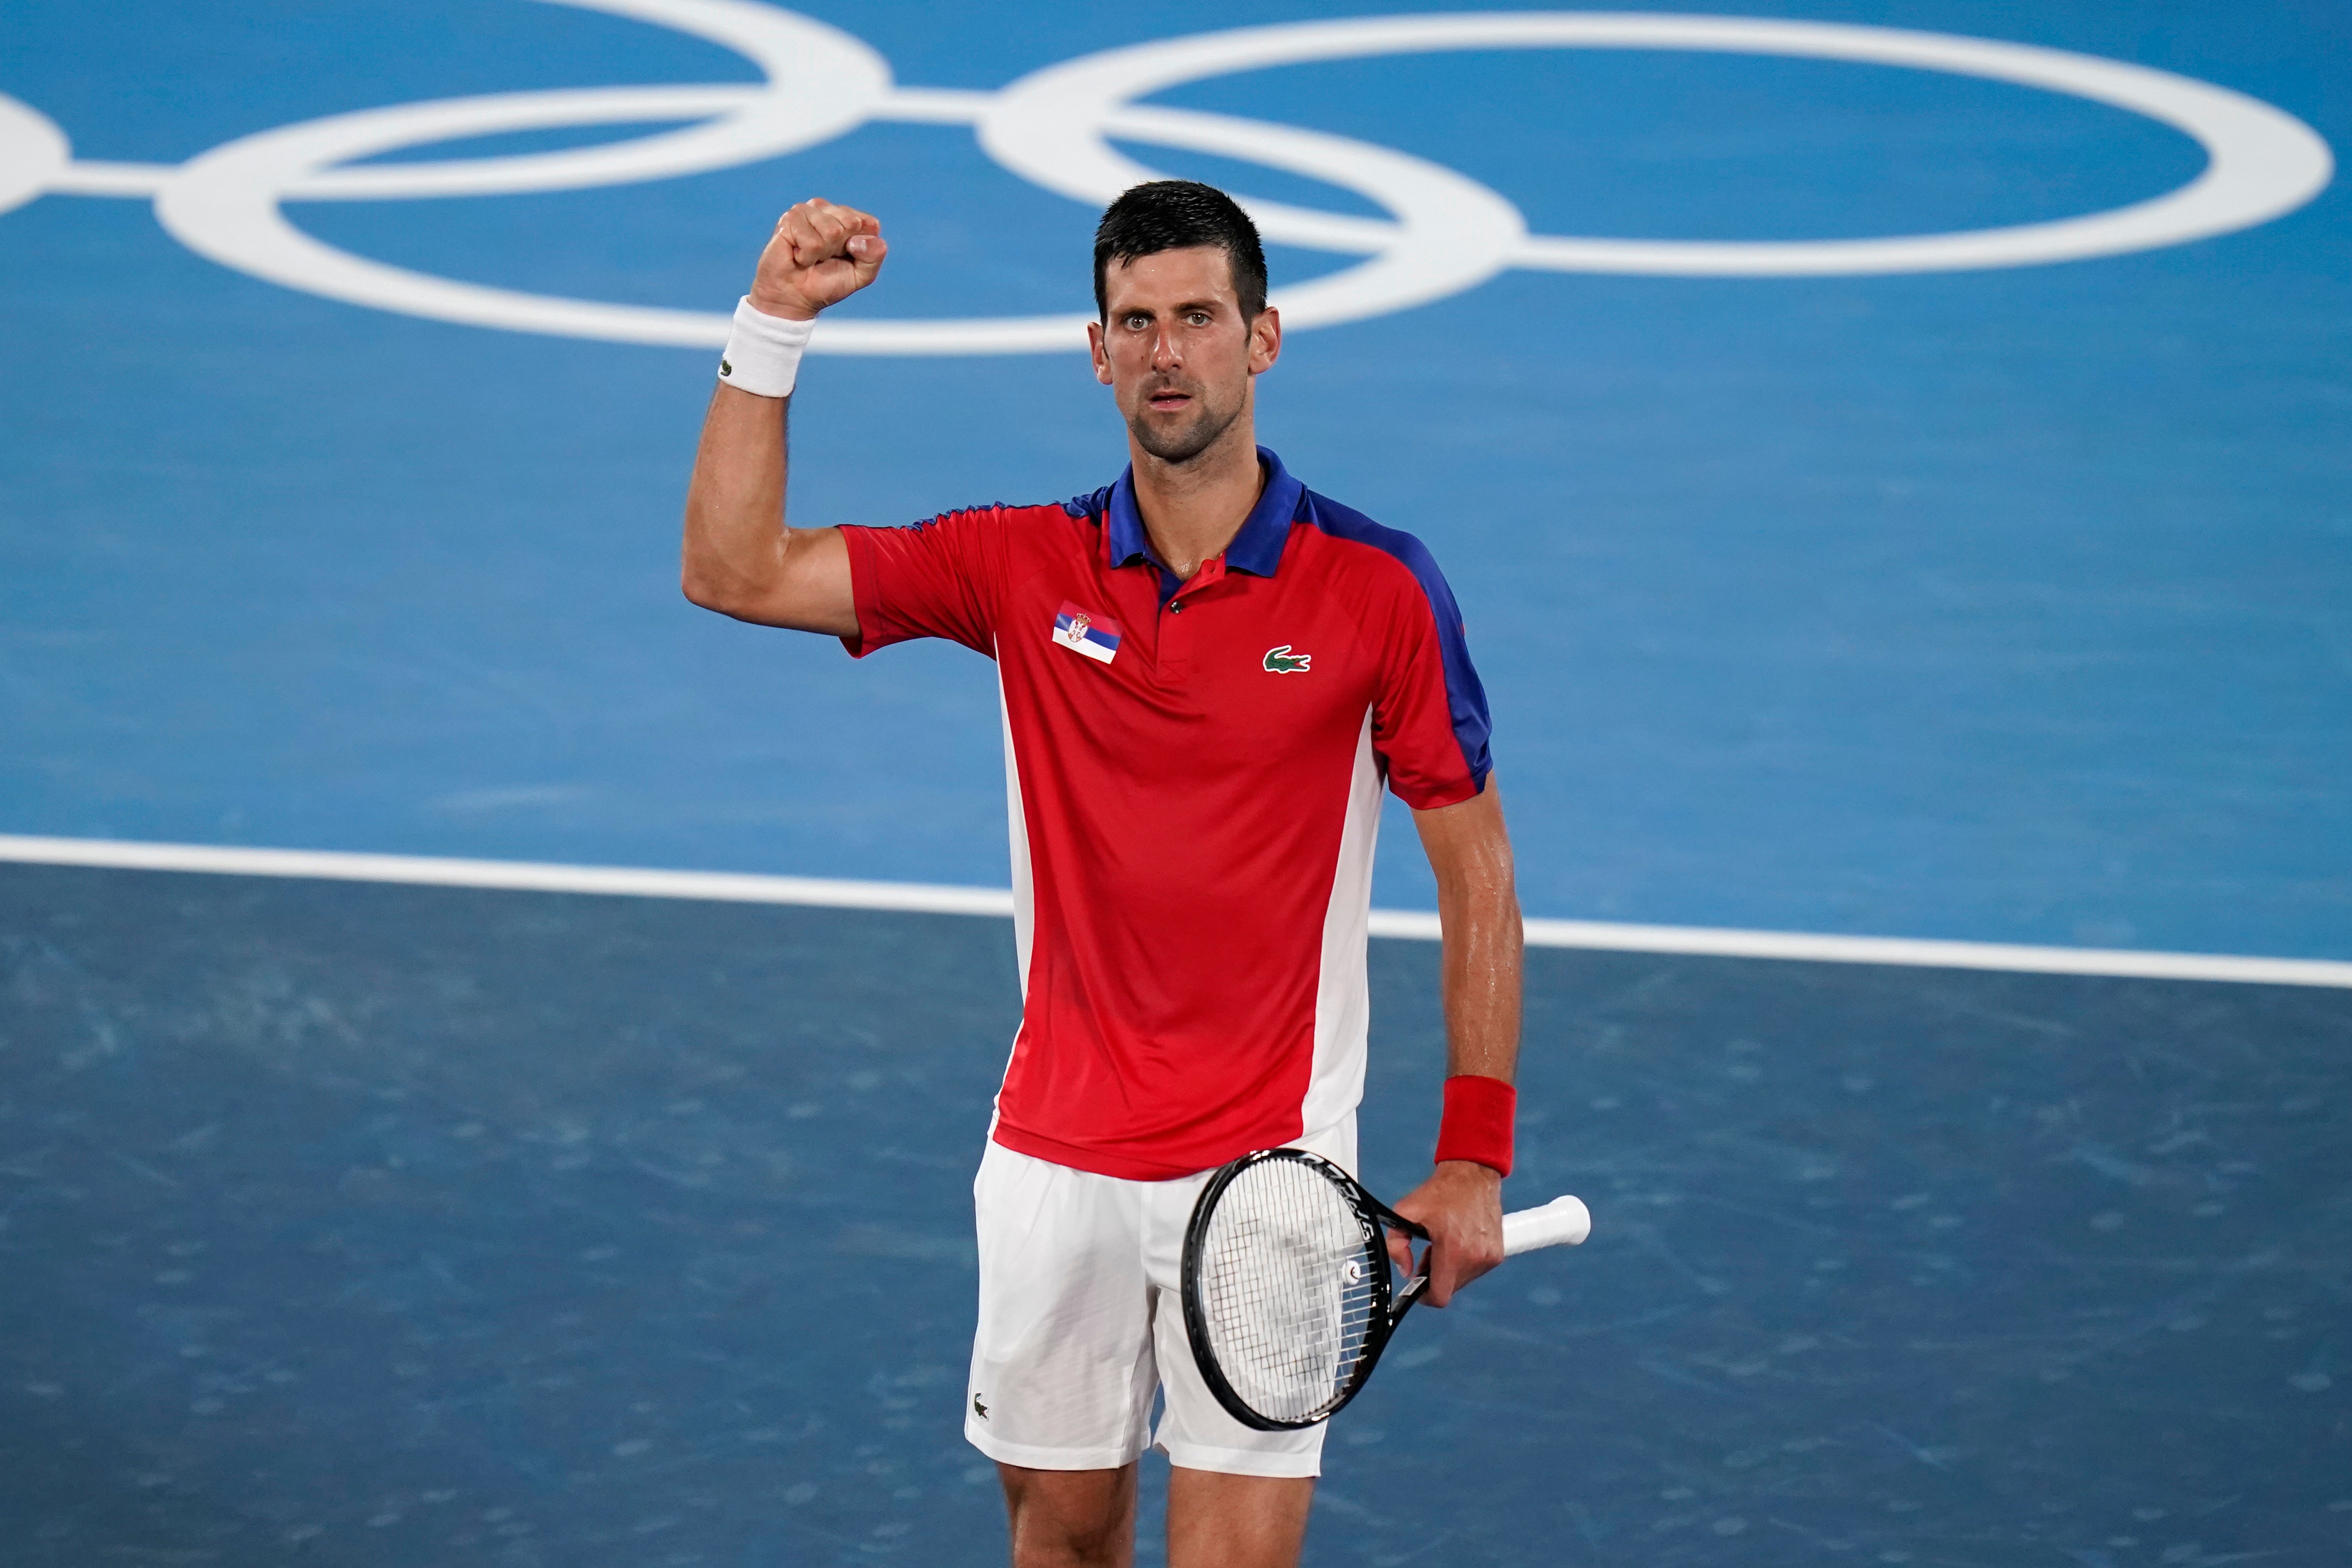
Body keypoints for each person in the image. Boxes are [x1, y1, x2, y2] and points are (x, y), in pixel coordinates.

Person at [681, 180, 1524, 1568]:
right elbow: (733, 570)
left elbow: (1475, 871)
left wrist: (1474, 1153)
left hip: (1271, 1171)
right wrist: (772, 321)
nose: (1166, 352)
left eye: (1198, 317)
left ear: (1263, 339)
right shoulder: (1020, 567)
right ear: (1097, 350)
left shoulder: (1380, 587)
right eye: (1136, 323)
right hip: (1052, 1158)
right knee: (1059, 1548)